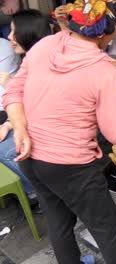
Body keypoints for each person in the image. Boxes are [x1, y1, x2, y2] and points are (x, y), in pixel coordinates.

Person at [3, 1, 116, 263]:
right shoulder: (104, 71)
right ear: (107, 32)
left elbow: (14, 90)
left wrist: (19, 128)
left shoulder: (46, 44)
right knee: (108, 231)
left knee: (59, 222)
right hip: (72, 167)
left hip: (31, 157)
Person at [0, 9, 51, 203]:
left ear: (28, 33)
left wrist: (8, 125)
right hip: (26, 116)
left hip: (48, 127)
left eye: (14, 32)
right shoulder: (30, 59)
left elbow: (36, 106)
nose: (9, 36)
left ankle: (36, 192)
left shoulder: (42, 63)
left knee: (4, 151)